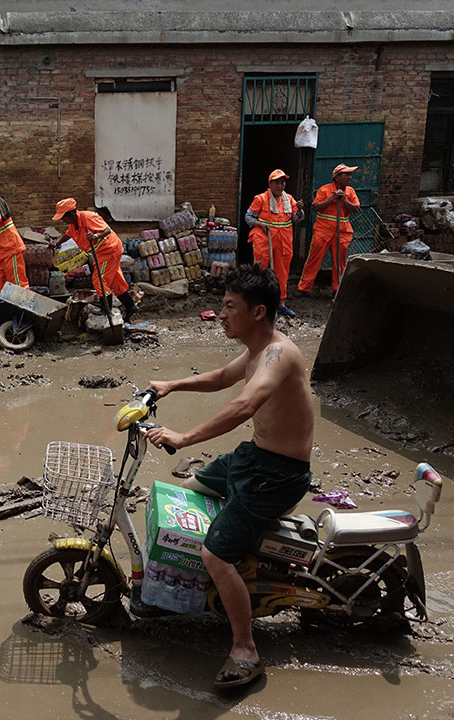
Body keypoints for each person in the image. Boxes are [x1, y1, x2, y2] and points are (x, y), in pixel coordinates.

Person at [145, 264, 313, 690]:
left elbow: (244, 405)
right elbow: (221, 378)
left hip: (277, 476)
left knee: (215, 554)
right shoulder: (256, 350)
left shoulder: (278, 354)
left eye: (228, 306)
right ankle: (185, 591)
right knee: (188, 493)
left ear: (257, 312)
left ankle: (245, 649)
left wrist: (184, 437)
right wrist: (171, 385)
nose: (220, 314)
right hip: (254, 457)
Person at [50, 197, 139, 322]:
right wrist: (57, 243)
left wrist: (95, 236)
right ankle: (130, 306)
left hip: (109, 250)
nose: (63, 220)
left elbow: (107, 230)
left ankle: (105, 310)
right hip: (102, 253)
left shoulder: (88, 217)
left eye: (64, 217)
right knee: (116, 281)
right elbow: (68, 234)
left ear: (71, 214)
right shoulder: (73, 224)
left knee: (100, 280)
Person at [245, 170, 304, 318]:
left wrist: (300, 210)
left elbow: (295, 219)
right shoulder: (260, 199)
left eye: (282, 182)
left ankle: (280, 303)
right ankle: (259, 301)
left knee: (282, 272)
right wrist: (260, 224)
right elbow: (248, 217)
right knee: (261, 269)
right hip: (264, 237)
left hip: (283, 239)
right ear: (270, 183)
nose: (280, 185)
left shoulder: (289, 199)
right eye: (277, 182)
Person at [297, 163, 360, 298]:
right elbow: (316, 207)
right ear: (337, 177)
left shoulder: (350, 192)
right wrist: (332, 199)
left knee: (340, 262)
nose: (350, 177)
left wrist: (343, 200)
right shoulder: (324, 190)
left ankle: (336, 289)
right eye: (347, 174)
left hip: (342, 232)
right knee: (313, 260)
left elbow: (355, 208)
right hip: (323, 231)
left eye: (350, 174)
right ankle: (304, 287)